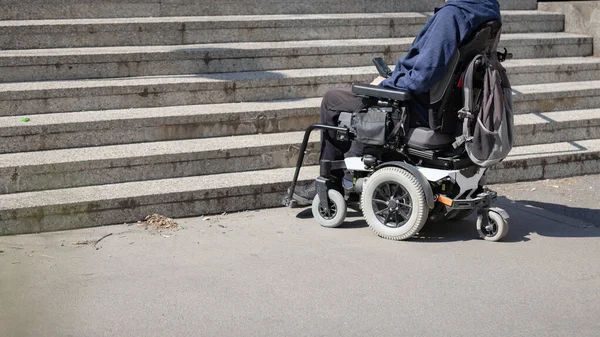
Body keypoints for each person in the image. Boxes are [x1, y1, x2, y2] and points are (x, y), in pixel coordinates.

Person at [292, 0, 502, 205]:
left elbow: (423, 75)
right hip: (451, 110)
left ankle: (330, 184)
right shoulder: (489, 11)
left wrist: (387, 84)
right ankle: (352, 172)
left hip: (419, 108)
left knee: (332, 100)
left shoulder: (453, 16)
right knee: (361, 104)